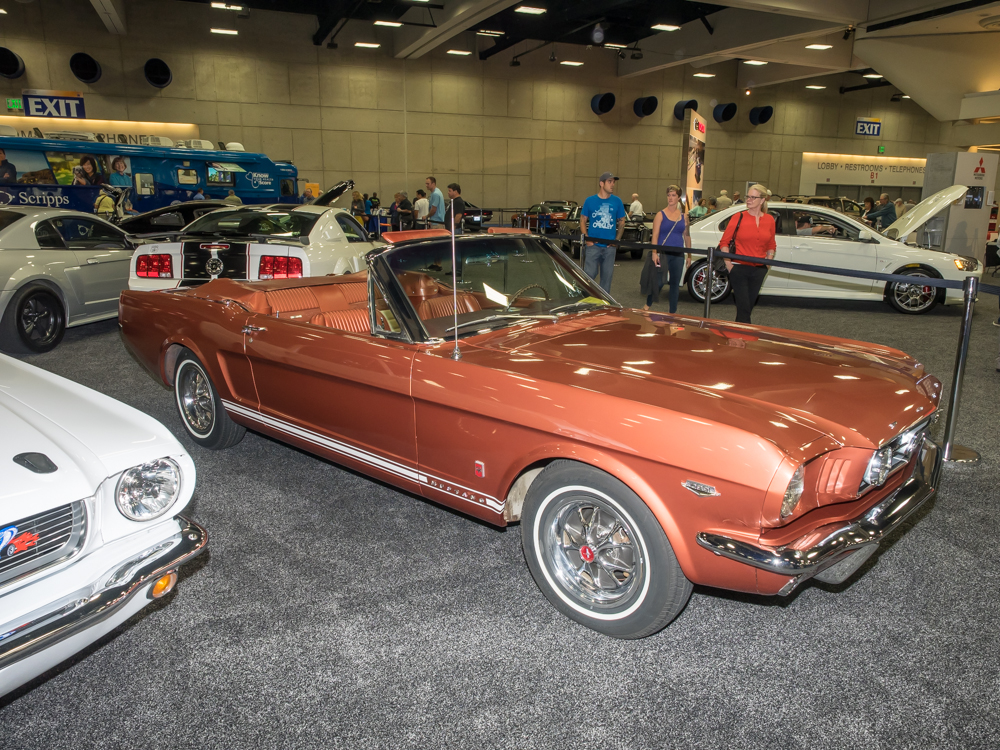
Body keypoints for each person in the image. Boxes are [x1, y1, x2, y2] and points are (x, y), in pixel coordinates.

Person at [718, 183, 775, 324]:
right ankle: (743, 334)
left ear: (762, 200)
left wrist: (768, 262)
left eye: (753, 197)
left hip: (760, 269)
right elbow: (724, 242)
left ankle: (739, 335)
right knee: (743, 306)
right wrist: (729, 265)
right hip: (739, 268)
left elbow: (771, 244)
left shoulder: (769, 220)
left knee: (747, 307)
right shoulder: (738, 217)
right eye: (748, 196)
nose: (749, 200)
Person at [641, 185, 690, 313]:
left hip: (678, 253)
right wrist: (654, 252)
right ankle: (647, 305)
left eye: (673, 195)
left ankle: (672, 312)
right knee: (658, 282)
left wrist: (689, 255)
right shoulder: (660, 215)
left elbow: (687, 236)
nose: (670, 198)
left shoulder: (684, 216)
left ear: (678, 198)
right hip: (663, 253)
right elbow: (655, 235)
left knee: (675, 284)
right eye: (669, 195)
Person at [580, 171, 626, 293]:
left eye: (613, 182)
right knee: (589, 275)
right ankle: (586, 299)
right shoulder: (590, 200)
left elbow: (622, 221)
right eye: (610, 181)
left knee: (607, 279)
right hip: (593, 246)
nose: (612, 184)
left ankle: (603, 303)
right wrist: (587, 238)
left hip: (609, 247)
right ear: (601, 183)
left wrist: (617, 240)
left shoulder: (617, 201)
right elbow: (583, 220)